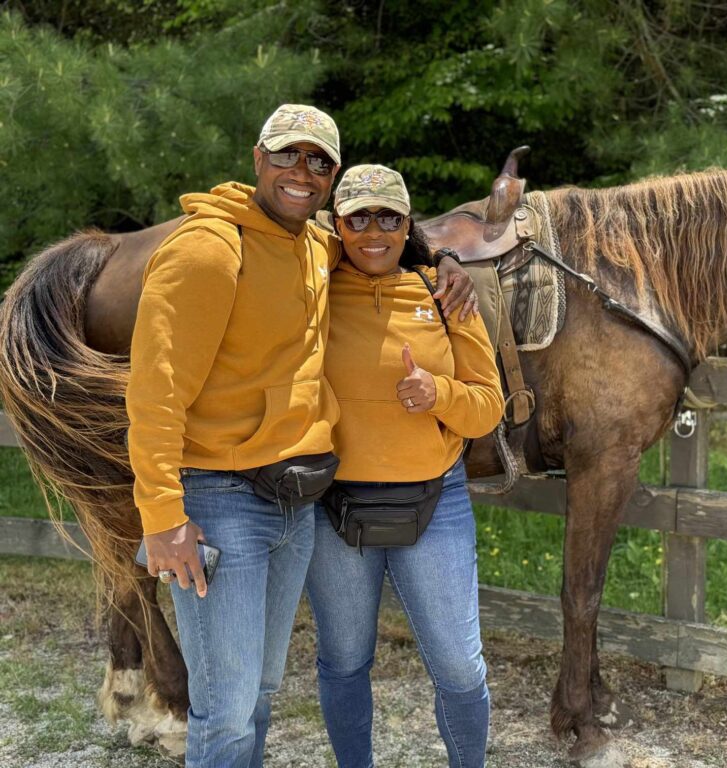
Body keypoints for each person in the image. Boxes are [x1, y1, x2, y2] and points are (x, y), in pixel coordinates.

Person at [127, 106, 474, 767]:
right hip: (220, 501)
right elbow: (154, 391)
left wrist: (445, 258)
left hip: (295, 502)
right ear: (258, 158)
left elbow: (382, 238)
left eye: (319, 161)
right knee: (225, 708)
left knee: (258, 691)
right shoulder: (208, 251)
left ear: (331, 177)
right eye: (288, 154)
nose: (302, 171)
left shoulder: (316, 247)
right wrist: (162, 516)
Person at [305, 164, 503, 768]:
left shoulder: (445, 295)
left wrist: (438, 394)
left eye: (388, 217)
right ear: (336, 225)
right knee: (343, 661)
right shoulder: (309, 288)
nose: (373, 231)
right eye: (357, 218)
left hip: (434, 502)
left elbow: (489, 408)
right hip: (335, 508)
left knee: (458, 664)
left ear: (406, 223)